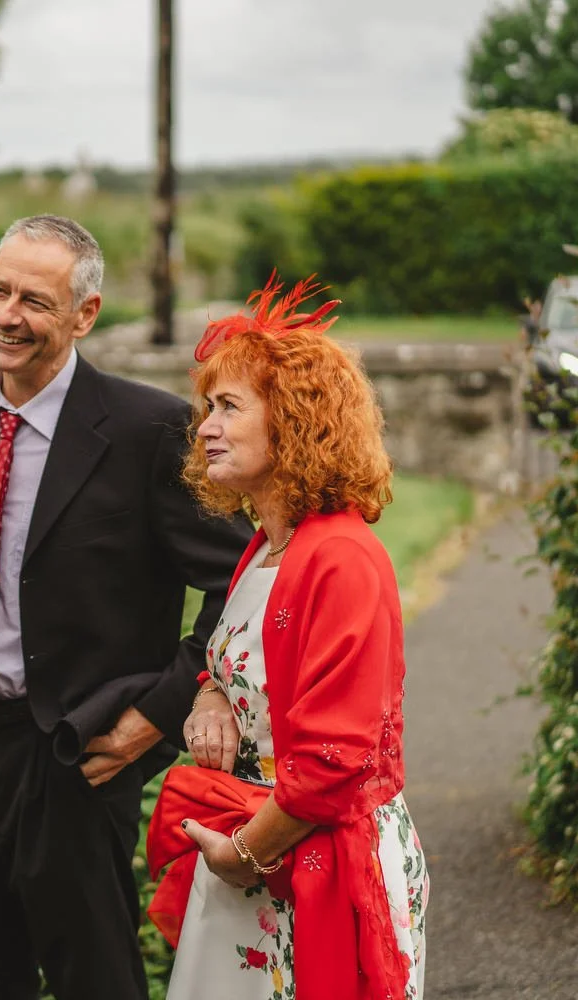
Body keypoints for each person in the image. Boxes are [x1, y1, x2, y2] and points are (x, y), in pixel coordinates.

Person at [0, 214, 253, 1000]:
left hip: (77, 758)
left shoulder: (147, 428)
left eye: (35, 301)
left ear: (85, 316)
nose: (7, 315)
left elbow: (241, 577)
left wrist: (153, 718)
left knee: (97, 980)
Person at [145, 275, 430, 1000]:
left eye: (228, 407)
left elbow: (337, 761)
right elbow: (239, 665)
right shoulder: (267, 544)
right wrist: (210, 696)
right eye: (208, 408)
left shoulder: (341, 557)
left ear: (296, 422)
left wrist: (243, 853)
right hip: (258, 852)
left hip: (309, 861)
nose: (204, 425)